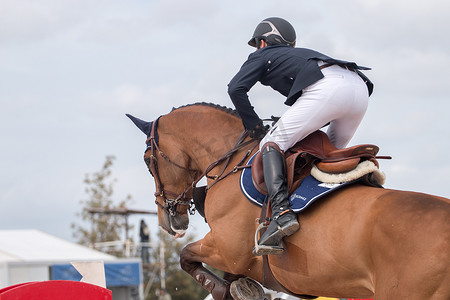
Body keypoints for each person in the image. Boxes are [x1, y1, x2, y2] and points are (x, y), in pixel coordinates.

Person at [228, 17, 373, 255]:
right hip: (358, 89)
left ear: (263, 42)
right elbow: (303, 104)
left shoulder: (262, 56)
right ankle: (325, 210)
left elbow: (235, 89)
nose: (256, 49)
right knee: (327, 155)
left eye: (257, 44)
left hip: (329, 88)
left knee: (270, 142)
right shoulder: (297, 57)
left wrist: (255, 127)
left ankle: (282, 214)